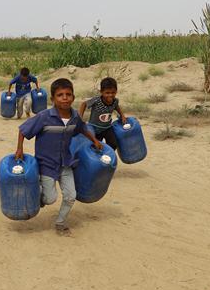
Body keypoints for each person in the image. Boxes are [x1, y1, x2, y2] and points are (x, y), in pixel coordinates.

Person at [15, 78, 102, 235]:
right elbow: (23, 130)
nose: (65, 98)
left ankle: (60, 223)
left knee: (70, 196)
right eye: (60, 95)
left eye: (68, 94)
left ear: (73, 97)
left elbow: (82, 128)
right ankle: (39, 192)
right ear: (53, 99)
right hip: (46, 164)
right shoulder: (44, 117)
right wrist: (19, 149)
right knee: (50, 199)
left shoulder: (75, 117)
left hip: (66, 162)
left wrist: (94, 140)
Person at [78, 77, 128, 152]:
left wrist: (122, 115)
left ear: (116, 92)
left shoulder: (115, 101)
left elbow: (116, 107)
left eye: (113, 92)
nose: (110, 95)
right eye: (107, 93)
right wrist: (80, 118)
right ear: (101, 92)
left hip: (107, 127)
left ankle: (107, 156)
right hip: (94, 127)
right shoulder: (96, 100)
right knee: (95, 146)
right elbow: (83, 104)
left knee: (113, 144)